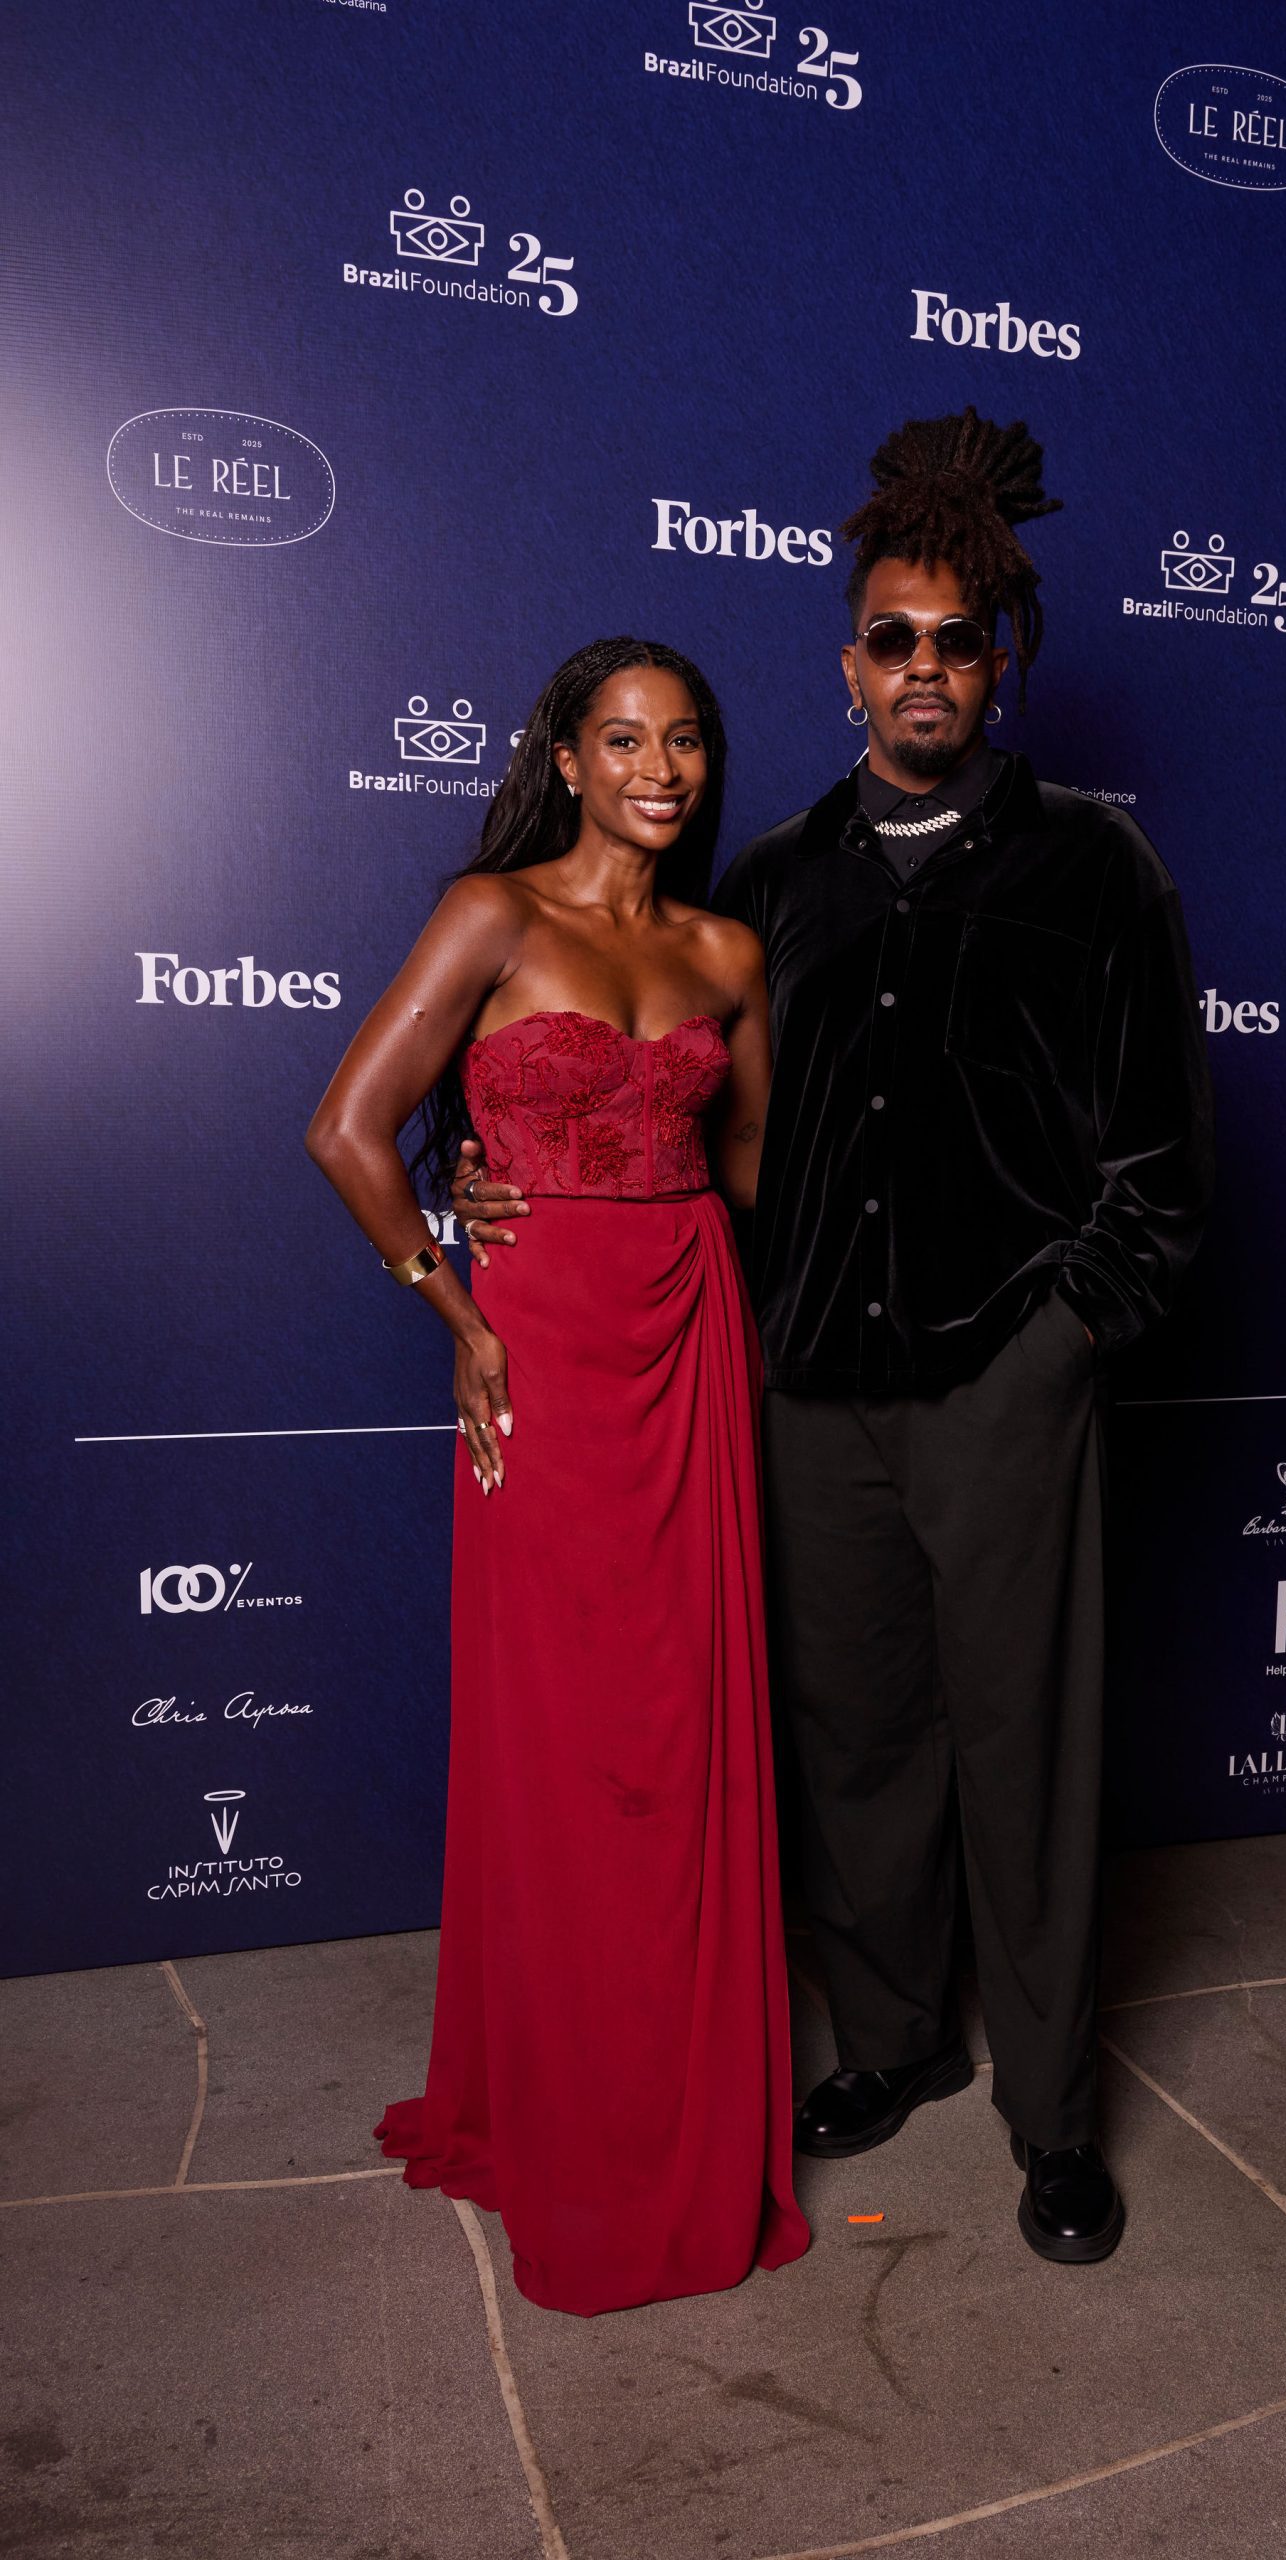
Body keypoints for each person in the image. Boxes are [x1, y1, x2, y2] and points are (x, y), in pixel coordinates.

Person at [462, 414, 1214, 2264]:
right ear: (849, 663)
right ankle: (892, 2041)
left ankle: (1053, 2118)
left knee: (1024, 1757)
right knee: (857, 1743)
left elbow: (1160, 1172)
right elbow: (680, 1122)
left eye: (959, 640)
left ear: (1000, 662)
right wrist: (491, 1186)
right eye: (895, 638)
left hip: (1003, 1384)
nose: (925, 667)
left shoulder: (1094, 870)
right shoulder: (777, 882)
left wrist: (1058, 1345)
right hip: (803, 1386)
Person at [305, 637, 809, 2316]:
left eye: (686, 739)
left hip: (693, 1335)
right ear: (570, 759)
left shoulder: (729, 949)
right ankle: (568, 2104)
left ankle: (682, 2102)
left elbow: (754, 1165)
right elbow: (347, 1128)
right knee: (564, 1732)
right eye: (625, 738)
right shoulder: (494, 914)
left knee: (683, 1724)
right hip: (541, 1355)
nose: (660, 767)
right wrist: (452, 1298)